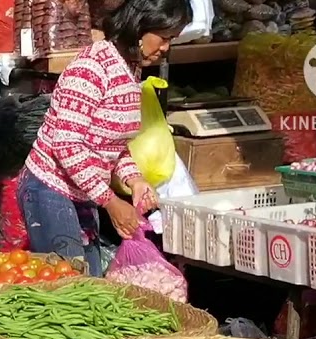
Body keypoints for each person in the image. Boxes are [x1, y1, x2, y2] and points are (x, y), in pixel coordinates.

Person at [18, 0, 190, 275]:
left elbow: (114, 145)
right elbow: (66, 144)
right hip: (50, 188)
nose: (166, 48)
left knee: (92, 280)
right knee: (69, 287)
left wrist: (135, 180)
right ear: (138, 27)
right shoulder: (92, 67)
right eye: (164, 37)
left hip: (85, 191)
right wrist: (110, 201)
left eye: (172, 40)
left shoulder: (130, 70)